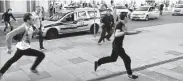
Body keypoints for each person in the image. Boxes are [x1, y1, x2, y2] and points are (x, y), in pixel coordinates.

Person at [0, 13, 45, 80]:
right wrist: (9, 48)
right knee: (41, 55)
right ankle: (33, 68)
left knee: (11, 60)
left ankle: (1, 73)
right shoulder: (23, 27)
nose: (34, 21)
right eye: (32, 20)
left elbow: (31, 34)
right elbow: (8, 35)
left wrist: (37, 32)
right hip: (24, 49)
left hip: (22, 48)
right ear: (27, 20)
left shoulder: (30, 26)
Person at [95, 12, 139, 79]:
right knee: (127, 59)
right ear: (124, 18)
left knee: (113, 58)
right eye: (127, 17)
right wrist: (124, 32)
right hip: (118, 46)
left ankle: (98, 62)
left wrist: (135, 32)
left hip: (116, 45)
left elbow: (125, 33)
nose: (128, 18)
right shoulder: (120, 24)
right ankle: (130, 74)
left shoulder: (122, 24)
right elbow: (116, 34)